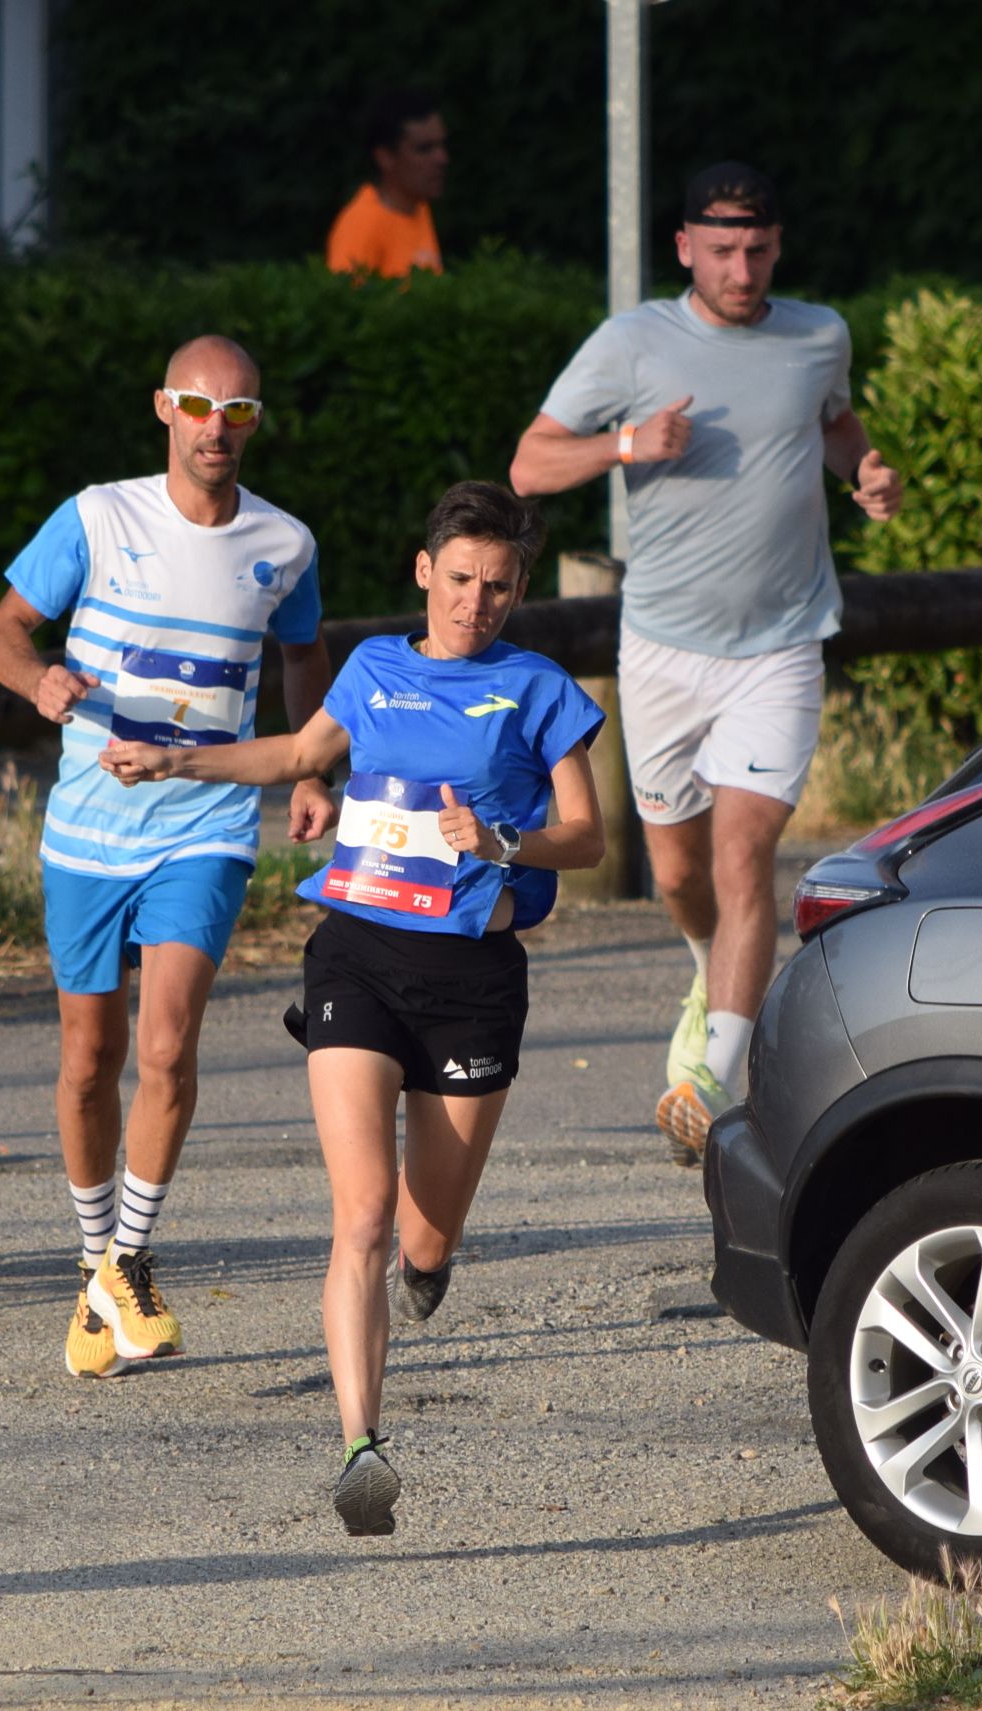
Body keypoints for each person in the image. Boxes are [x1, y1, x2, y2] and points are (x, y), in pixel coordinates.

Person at [100, 482, 605, 1535]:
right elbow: (296, 756)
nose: (475, 603)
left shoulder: (539, 687)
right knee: (363, 1213)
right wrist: (173, 760)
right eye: (459, 579)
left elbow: (588, 836)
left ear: (517, 590)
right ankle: (359, 1447)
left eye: (497, 586)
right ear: (424, 571)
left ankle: (428, 1264)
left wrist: (504, 843)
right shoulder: (374, 667)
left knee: (424, 1231)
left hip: (472, 981)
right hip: (357, 958)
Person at [509, 161, 901, 1167]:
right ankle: (707, 971)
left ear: (778, 246)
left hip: (781, 644)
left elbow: (834, 422)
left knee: (740, 858)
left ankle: (713, 1079)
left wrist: (862, 470)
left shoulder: (818, 333)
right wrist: (626, 444)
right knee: (679, 871)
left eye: (757, 250)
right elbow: (529, 463)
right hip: (663, 649)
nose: (740, 270)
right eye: (721, 250)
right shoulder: (632, 341)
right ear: (685, 246)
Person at [0, 336, 334, 1381]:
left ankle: (130, 1257)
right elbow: (0, 631)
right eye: (199, 406)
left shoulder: (285, 543)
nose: (218, 427)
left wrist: (311, 768)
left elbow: (303, 651)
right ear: (164, 410)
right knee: (90, 1056)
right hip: (89, 829)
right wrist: (36, 679)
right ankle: (96, 1266)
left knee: (168, 1046)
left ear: (255, 422)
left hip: (206, 824)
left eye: (239, 411)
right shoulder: (96, 517)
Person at [325, 87, 447, 280]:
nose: (441, 159)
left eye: (441, 145)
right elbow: (343, 297)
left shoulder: (419, 208)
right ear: (385, 157)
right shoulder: (361, 226)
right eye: (424, 149)